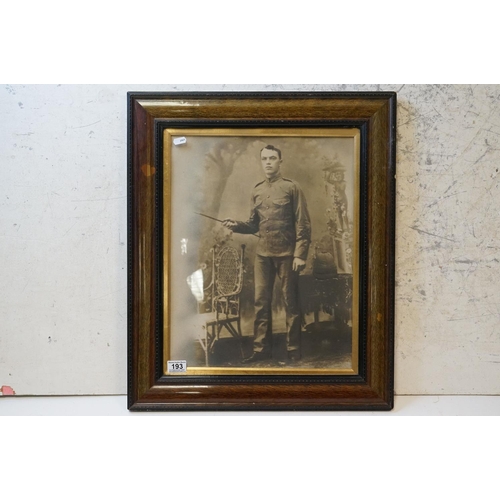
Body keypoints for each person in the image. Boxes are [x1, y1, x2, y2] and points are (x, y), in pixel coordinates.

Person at [223, 145, 311, 363]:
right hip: (263, 254)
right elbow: (254, 225)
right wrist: (235, 225)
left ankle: (293, 351)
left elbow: (303, 224)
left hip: (288, 254)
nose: (268, 162)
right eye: (264, 159)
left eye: (273, 158)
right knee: (261, 302)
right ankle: (261, 350)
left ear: (281, 161)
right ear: (261, 162)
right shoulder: (257, 190)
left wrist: (300, 254)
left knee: (290, 302)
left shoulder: (292, 188)